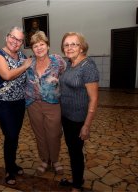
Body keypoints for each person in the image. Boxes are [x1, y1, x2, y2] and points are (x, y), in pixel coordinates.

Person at [0, 26, 32, 185]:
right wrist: (25, 66)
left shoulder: (21, 55)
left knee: (14, 135)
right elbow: (7, 75)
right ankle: (9, 170)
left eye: (19, 40)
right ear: (7, 37)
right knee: (11, 135)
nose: (15, 42)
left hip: (19, 102)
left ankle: (13, 164)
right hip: (2, 103)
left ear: (22, 42)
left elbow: (29, 74)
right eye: (13, 38)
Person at [59, 32, 99, 192]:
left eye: (74, 44)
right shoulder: (70, 63)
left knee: (75, 151)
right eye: (66, 44)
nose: (69, 48)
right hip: (66, 115)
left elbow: (94, 99)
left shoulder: (88, 66)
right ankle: (78, 178)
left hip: (78, 118)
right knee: (72, 149)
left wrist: (87, 125)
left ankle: (77, 185)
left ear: (82, 47)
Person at [25, 31, 66, 175]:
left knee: (54, 134)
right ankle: (44, 159)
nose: (39, 48)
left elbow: (65, 77)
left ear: (47, 46)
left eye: (42, 44)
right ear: (32, 49)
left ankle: (55, 160)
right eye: (35, 45)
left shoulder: (58, 61)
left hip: (53, 103)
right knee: (40, 134)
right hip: (33, 104)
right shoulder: (29, 63)